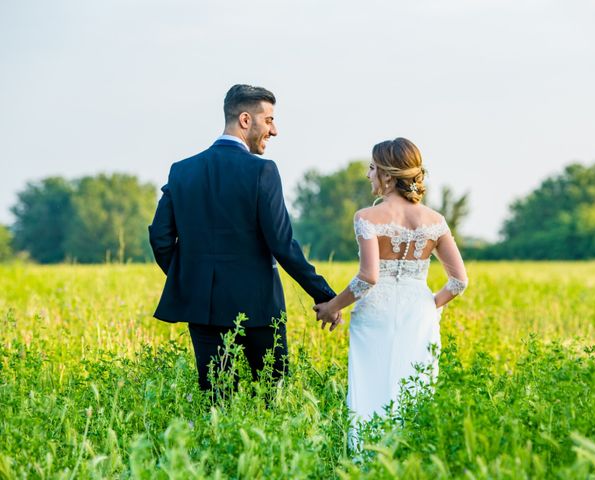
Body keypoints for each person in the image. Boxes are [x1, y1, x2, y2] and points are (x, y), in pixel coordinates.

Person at [149, 84, 341, 392]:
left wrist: (193, 280)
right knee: (271, 398)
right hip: (259, 309)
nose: (274, 130)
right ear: (245, 120)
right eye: (269, 120)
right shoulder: (262, 171)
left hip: (204, 310)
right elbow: (282, 243)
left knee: (217, 400)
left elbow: (160, 238)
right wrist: (324, 295)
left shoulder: (182, 171)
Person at [313, 138, 468, 443]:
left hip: (375, 314)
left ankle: (368, 458)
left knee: (371, 388)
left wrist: (333, 306)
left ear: (386, 174)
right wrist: (429, 305)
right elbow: (459, 281)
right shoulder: (435, 221)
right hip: (419, 313)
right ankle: (410, 457)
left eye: (372, 168)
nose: (368, 174)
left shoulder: (367, 218)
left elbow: (368, 277)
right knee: (415, 387)